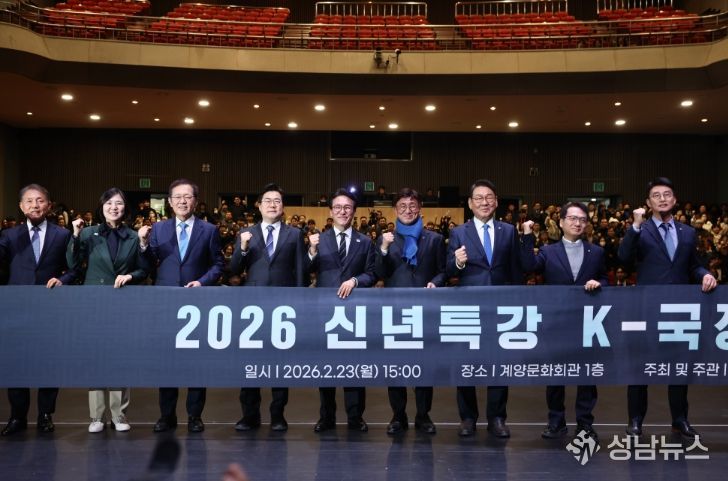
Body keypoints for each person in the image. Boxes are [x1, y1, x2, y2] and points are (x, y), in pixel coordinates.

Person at [617, 177, 717, 439]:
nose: (662, 199)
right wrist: (634, 227)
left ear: (674, 200)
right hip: (646, 308)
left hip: (679, 309)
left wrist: (705, 274)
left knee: (679, 367)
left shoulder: (688, 232)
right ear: (648, 203)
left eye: (667, 194)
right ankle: (635, 419)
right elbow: (624, 259)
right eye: (656, 195)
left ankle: (679, 419)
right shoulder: (641, 230)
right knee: (640, 366)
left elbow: (693, 265)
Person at [138, 179, 224, 433]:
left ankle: (195, 416)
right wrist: (143, 245)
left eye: (188, 196)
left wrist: (202, 282)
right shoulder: (158, 229)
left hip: (197, 304)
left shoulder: (209, 230)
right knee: (167, 361)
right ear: (170, 201)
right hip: (165, 303)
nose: (183, 201)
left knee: (197, 363)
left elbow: (218, 264)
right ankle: (167, 415)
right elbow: (149, 264)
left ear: (196, 201)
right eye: (177, 197)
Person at [521, 202, 607, 441]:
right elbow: (528, 266)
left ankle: (585, 423)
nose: (577, 223)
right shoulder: (548, 251)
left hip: (587, 323)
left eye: (582, 219)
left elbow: (604, 279)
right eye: (572, 218)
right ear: (560, 222)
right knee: (555, 376)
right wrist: (527, 236)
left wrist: (599, 283)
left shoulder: (596, 252)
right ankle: (556, 422)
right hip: (556, 322)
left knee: (586, 376)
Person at [67, 187, 150, 433]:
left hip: (122, 303)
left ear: (125, 208)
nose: (114, 207)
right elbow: (73, 264)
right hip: (94, 303)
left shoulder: (133, 236)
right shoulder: (88, 233)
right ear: (102, 207)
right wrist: (75, 235)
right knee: (95, 357)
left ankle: (119, 415)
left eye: (119, 203)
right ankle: (96, 416)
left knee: (119, 357)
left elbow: (144, 269)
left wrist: (130, 275)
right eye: (109, 203)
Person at [445, 179, 523, 438]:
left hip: (501, 306)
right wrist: (457, 263)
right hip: (467, 307)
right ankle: (468, 417)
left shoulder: (508, 231)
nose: (484, 202)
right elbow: (448, 269)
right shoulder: (458, 232)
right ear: (470, 203)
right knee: (465, 363)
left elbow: (515, 269)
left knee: (499, 363)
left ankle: (497, 417)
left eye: (489, 197)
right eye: (478, 198)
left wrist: (517, 300)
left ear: (496, 201)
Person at [230, 183, 308, 432]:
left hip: (284, 306)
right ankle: (249, 415)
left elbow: (301, 271)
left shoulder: (295, 234)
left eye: (277, 201)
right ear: (259, 205)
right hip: (252, 307)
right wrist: (243, 249)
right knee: (250, 362)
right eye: (268, 200)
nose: (273, 205)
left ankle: (278, 415)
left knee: (280, 362)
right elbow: (233, 269)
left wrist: (299, 303)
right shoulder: (246, 232)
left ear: (283, 207)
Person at [0, 184, 75, 436]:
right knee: (16, 363)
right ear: (21, 206)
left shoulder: (62, 235)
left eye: (40, 200)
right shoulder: (9, 236)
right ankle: (17, 416)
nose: (35, 205)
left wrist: (62, 280)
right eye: (29, 201)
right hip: (17, 308)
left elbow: (74, 268)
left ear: (49, 205)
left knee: (49, 361)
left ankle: (45, 415)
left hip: (49, 306)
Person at [375, 188, 445, 435]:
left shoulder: (434, 239)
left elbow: (443, 271)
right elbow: (379, 273)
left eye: (412, 205)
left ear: (420, 208)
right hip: (394, 311)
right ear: (395, 210)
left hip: (426, 312)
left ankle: (423, 415)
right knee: (395, 367)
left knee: (424, 366)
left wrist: (435, 282)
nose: (408, 210)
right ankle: (398, 416)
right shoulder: (386, 238)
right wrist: (384, 249)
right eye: (402, 206)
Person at [307, 188, 376, 433]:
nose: (342, 211)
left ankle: (355, 417)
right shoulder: (318, 239)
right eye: (338, 207)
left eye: (347, 207)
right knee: (326, 367)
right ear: (330, 211)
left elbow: (372, 273)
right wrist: (311, 252)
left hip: (354, 313)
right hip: (325, 313)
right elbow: (304, 270)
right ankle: (326, 417)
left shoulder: (365, 241)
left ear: (354, 211)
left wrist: (355, 280)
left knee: (354, 367)